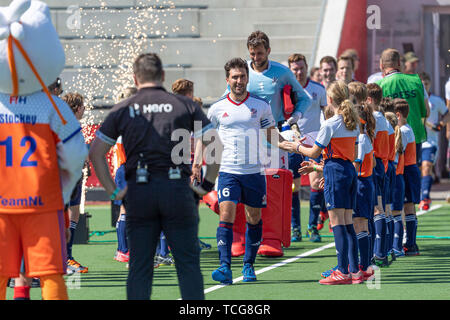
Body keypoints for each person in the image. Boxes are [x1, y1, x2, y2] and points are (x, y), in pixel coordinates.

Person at [89, 53, 222, 300]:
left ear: (135, 78)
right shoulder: (185, 104)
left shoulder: (123, 107)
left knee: (140, 268)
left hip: (140, 193)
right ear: (162, 76)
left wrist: (114, 191)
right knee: (188, 265)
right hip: (177, 191)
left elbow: (96, 153)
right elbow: (215, 145)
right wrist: (205, 186)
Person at [208, 58, 291, 284]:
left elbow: (272, 135)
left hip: (254, 172)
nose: (239, 81)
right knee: (226, 215)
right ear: (228, 80)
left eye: (242, 76)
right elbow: (207, 137)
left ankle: (248, 265)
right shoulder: (217, 109)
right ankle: (224, 266)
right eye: (234, 77)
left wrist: (293, 145)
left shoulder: (261, 106)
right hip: (228, 171)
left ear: (248, 78)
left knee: (253, 218)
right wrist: (198, 163)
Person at [281, 81, 362, 285]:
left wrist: (296, 147)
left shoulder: (331, 123)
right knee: (347, 222)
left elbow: (314, 152)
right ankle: (354, 270)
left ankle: (342, 271)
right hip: (348, 171)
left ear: (330, 99)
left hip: (335, 171)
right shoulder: (353, 122)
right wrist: (318, 166)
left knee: (337, 223)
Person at [288, 53, 328, 242]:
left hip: (314, 143)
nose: (299, 71)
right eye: (295, 68)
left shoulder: (318, 89)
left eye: (301, 67)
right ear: (290, 69)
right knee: (293, 186)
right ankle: (295, 227)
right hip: (292, 144)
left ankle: (313, 226)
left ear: (306, 67)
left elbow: (326, 115)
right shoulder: (285, 91)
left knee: (315, 183)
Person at [244, 31, 311, 129]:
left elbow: (305, 99)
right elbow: (227, 98)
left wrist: (296, 115)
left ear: (268, 51)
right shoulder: (241, 71)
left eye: (260, 53)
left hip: (274, 131)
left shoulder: (283, 72)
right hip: (249, 131)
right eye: (252, 54)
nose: (256, 58)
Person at [376, 48, 429, 167]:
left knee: (394, 177)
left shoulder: (378, 86)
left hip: (391, 138)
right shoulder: (416, 81)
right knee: (412, 176)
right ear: (399, 63)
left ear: (381, 65)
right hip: (414, 135)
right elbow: (426, 112)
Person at [350, 82, 376, 280]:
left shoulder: (360, 138)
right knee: (362, 225)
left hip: (360, 184)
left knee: (359, 224)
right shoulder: (366, 137)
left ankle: (361, 266)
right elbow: (373, 162)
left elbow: (357, 164)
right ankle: (365, 265)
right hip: (366, 183)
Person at [61, 93, 89, 274]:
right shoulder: (69, 124)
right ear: (77, 108)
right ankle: (66, 258)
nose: (85, 109)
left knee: (73, 213)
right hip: (68, 174)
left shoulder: (61, 120)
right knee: (69, 215)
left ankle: (65, 257)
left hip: (69, 172)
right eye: (83, 106)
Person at [365, 83, 390, 267]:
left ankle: (379, 251)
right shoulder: (385, 120)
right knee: (380, 206)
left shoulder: (372, 118)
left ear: (370, 99)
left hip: (374, 164)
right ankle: (383, 250)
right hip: (382, 164)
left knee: (376, 208)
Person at [418, 72, 450, 210]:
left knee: (426, 166)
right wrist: (430, 125)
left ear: (429, 84)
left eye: (426, 84)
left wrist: (442, 124)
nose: (424, 87)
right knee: (419, 170)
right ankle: (419, 194)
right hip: (415, 141)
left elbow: (447, 114)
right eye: (422, 85)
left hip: (430, 142)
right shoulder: (413, 101)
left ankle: (425, 198)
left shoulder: (436, 100)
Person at [394, 98, 421, 256]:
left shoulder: (403, 131)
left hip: (407, 170)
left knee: (407, 207)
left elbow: (398, 152)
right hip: (410, 169)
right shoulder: (407, 128)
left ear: (398, 115)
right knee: (409, 207)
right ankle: (410, 243)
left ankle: (409, 243)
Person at [384, 111, 406, 257]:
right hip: (397, 177)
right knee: (394, 213)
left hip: (393, 176)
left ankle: (393, 247)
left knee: (391, 212)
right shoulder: (397, 136)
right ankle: (394, 247)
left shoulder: (390, 138)